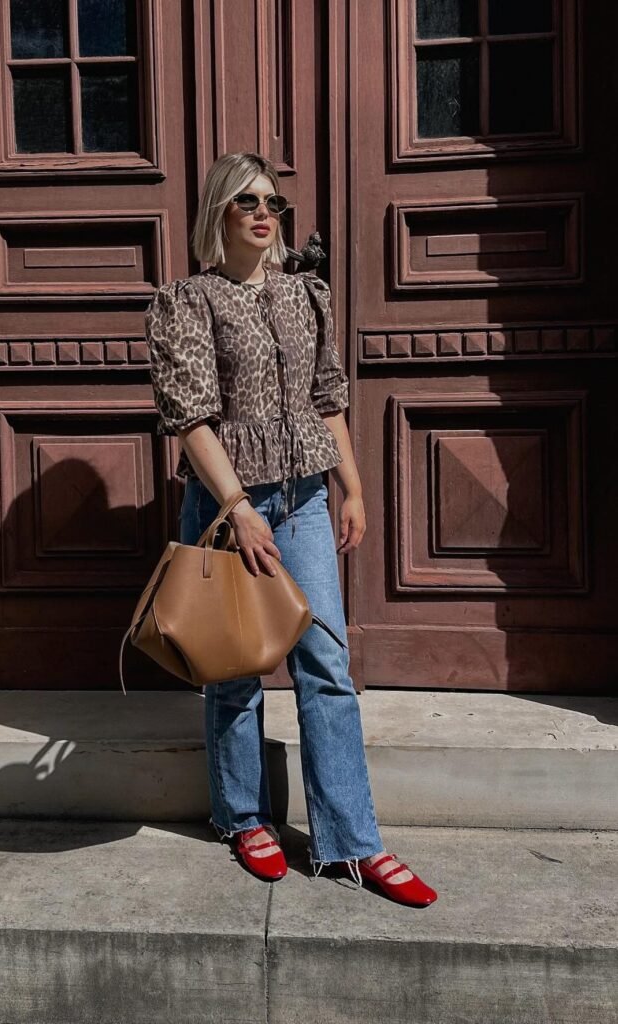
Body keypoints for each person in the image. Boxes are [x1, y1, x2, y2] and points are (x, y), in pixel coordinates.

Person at [144, 151, 437, 908]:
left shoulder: (308, 294)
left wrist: (352, 487)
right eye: (246, 201)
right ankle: (242, 817)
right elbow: (190, 418)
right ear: (220, 212)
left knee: (326, 665)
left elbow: (327, 396)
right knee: (234, 666)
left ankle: (351, 842)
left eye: (272, 201)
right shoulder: (186, 301)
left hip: (305, 497)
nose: (263, 213)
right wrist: (237, 508)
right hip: (226, 505)